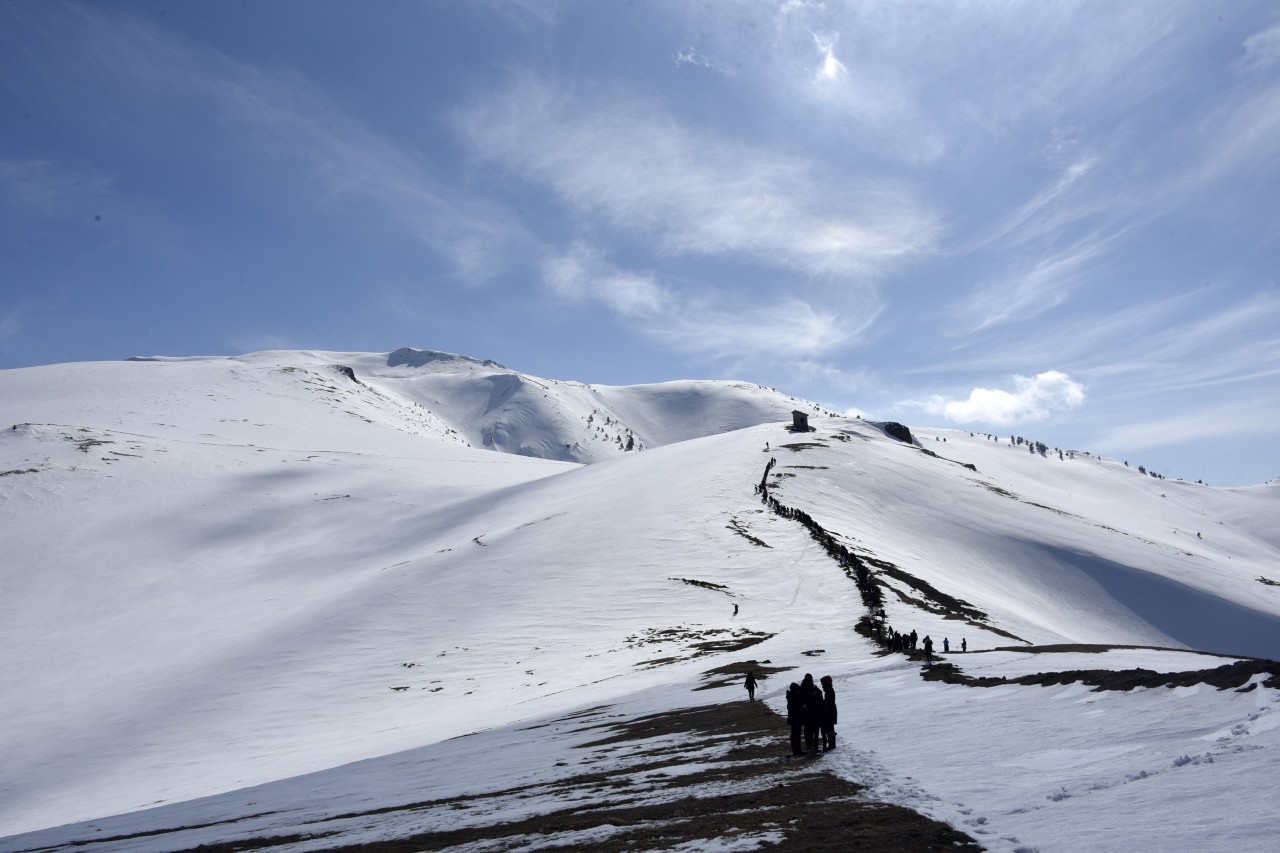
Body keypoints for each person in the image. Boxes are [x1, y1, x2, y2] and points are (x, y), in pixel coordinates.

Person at [801, 673, 822, 752]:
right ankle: (811, 745)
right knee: (810, 730)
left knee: (810, 730)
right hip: (809, 712)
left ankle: (811, 745)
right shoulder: (807, 688)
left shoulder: (804, 688)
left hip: (809, 712)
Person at [785, 683, 804, 755]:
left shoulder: (791, 696)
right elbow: (797, 707)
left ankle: (796, 750)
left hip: (793, 718)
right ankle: (797, 750)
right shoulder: (794, 696)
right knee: (796, 734)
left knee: (794, 734)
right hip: (796, 718)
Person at [819, 675, 837, 751]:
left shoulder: (829, 691)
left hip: (830, 711)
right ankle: (832, 744)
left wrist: (823, 703)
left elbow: (829, 703)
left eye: (822, 683)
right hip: (831, 711)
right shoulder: (829, 690)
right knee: (830, 727)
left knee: (830, 728)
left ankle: (831, 744)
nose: (822, 685)